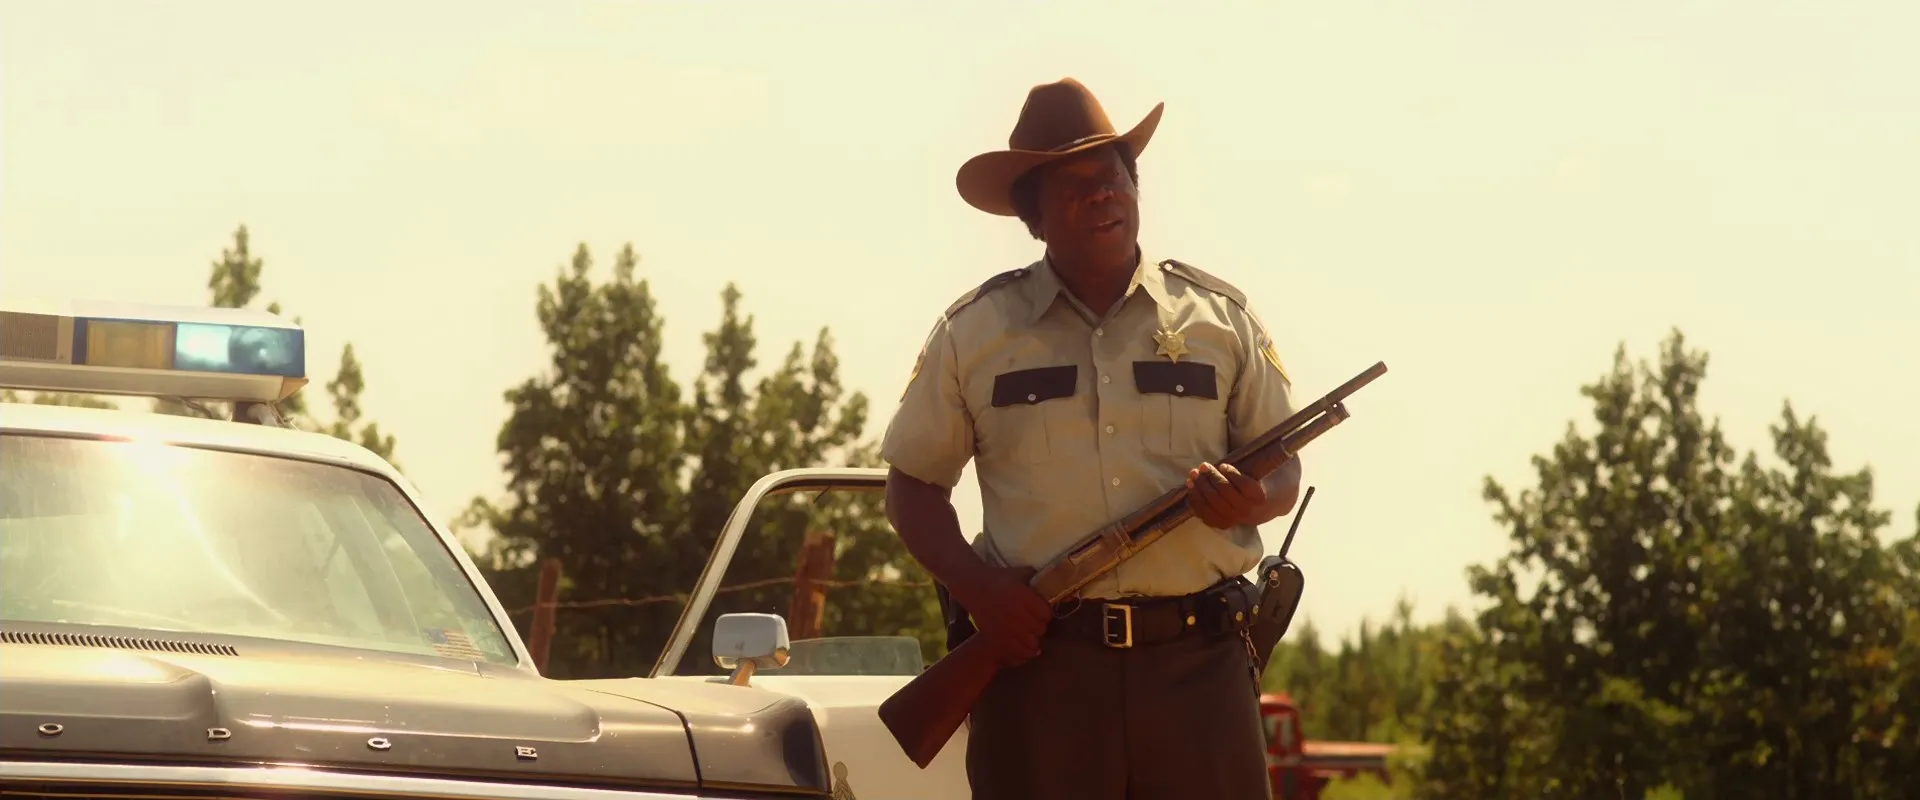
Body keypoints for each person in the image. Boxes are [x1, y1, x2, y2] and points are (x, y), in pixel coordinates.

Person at [881, 77, 1306, 799]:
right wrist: (979, 589)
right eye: (1075, 185)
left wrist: (1250, 501)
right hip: (1042, 671)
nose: (1103, 195)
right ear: (1035, 216)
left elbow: (1283, 466)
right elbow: (912, 489)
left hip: (1199, 670)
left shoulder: (1220, 318)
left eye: (1113, 177)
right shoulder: (974, 333)